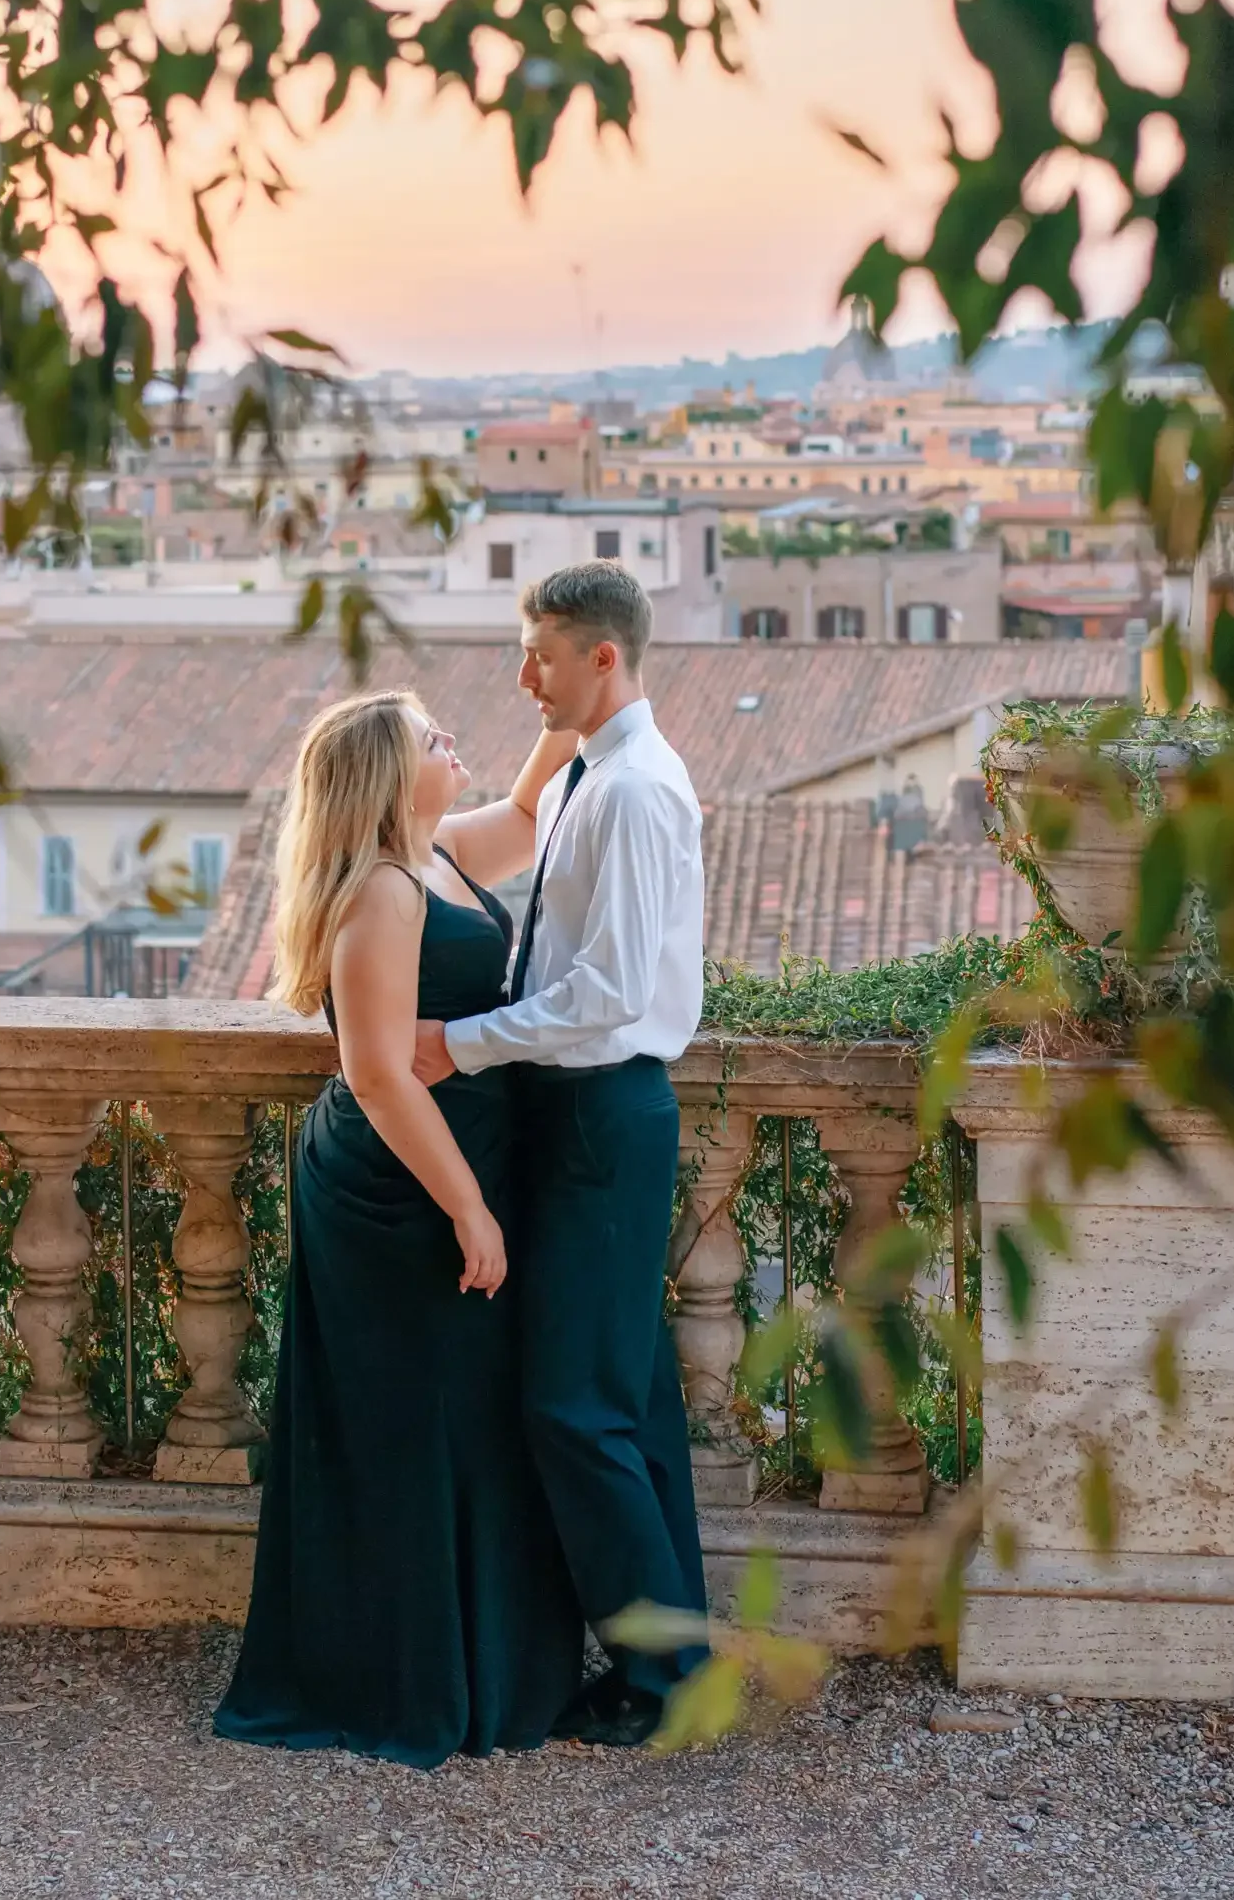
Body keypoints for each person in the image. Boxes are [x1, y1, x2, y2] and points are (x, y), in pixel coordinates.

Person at [213, 689, 586, 1768]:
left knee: (460, 1420)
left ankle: (471, 1661)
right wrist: (467, 1203)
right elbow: (373, 1072)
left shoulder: (434, 853)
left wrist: (571, 697)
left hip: (446, 1162)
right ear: (386, 772)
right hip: (399, 1189)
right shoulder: (380, 891)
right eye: (432, 737)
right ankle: (403, 1675)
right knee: (414, 1428)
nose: (449, 741)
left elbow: (524, 817)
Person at [413, 561, 708, 1749]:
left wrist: (457, 1043)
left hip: (601, 1114)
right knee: (622, 1400)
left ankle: (660, 1679)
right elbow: (546, 924)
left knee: (573, 1410)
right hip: (581, 1117)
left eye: (538, 653)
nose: (518, 675)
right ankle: (675, 1661)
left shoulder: (634, 789)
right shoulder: (592, 773)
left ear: (603, 657)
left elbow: (609, 992)